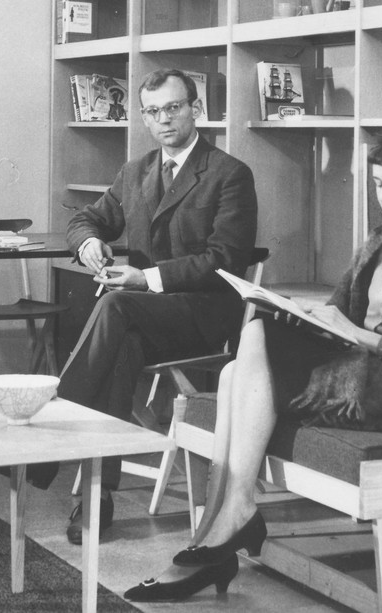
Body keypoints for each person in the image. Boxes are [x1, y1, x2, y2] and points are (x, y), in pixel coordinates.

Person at [123, 121, 382, 602]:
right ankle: (221, 527)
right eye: (378, 182)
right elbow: (341, 309)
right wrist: (314, 317)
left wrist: (356, 334)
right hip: (361, 368)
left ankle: (229, 521)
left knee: (253, 339)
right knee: (235, 365)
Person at [27, 68, 258, 545]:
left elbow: (225, 259)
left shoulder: (229, 174)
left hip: (205, 315)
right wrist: (89, 241)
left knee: (116, 307)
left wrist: (145, 278)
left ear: (196, 109)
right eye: (152, 112)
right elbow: (87, 218)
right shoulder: (135, 172)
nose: (163, 120)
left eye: (173, 108)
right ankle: (97, 496)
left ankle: (49, 439)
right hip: (146, 316)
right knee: (122, 341)